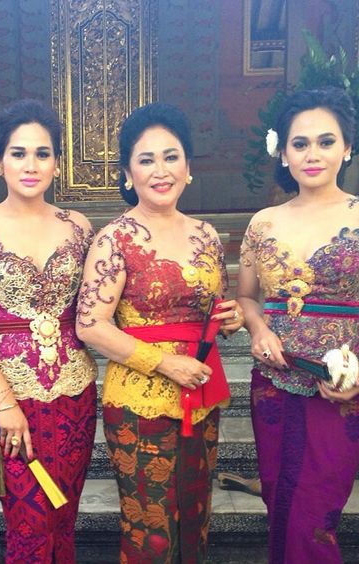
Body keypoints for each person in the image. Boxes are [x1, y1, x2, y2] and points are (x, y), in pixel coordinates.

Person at [76, 102, 244, 562]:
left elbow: (210, 312)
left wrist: (230, 319)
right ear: (128, 174)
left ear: (188, 167)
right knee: (150, 526)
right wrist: (164, 363)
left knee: (195, 513)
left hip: (200, 390)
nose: (160, 170)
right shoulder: (115, 238)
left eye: (171, 157)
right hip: (139, 400)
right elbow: (90, 324)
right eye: (146, 160)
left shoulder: (207, 235)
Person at [237, 87, 359, 563]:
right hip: (273, 380)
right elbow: (246, 298)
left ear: (347, 148)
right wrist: (259, 330)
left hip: (340, 384)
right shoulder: (262, 223)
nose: (313, 154)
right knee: (279, 499)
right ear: (283, 153)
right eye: (300, 143)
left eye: (326, 142)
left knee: (316, 513)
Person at [0, 99, 97, 563]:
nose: (30, 165)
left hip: (75, 388)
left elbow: (97, 309)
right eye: (18, 153)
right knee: (28, 520)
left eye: (42, 153)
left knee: (63, 513)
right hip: (8, 393)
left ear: (56, 163)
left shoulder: (79, 227)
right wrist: (4, 401)